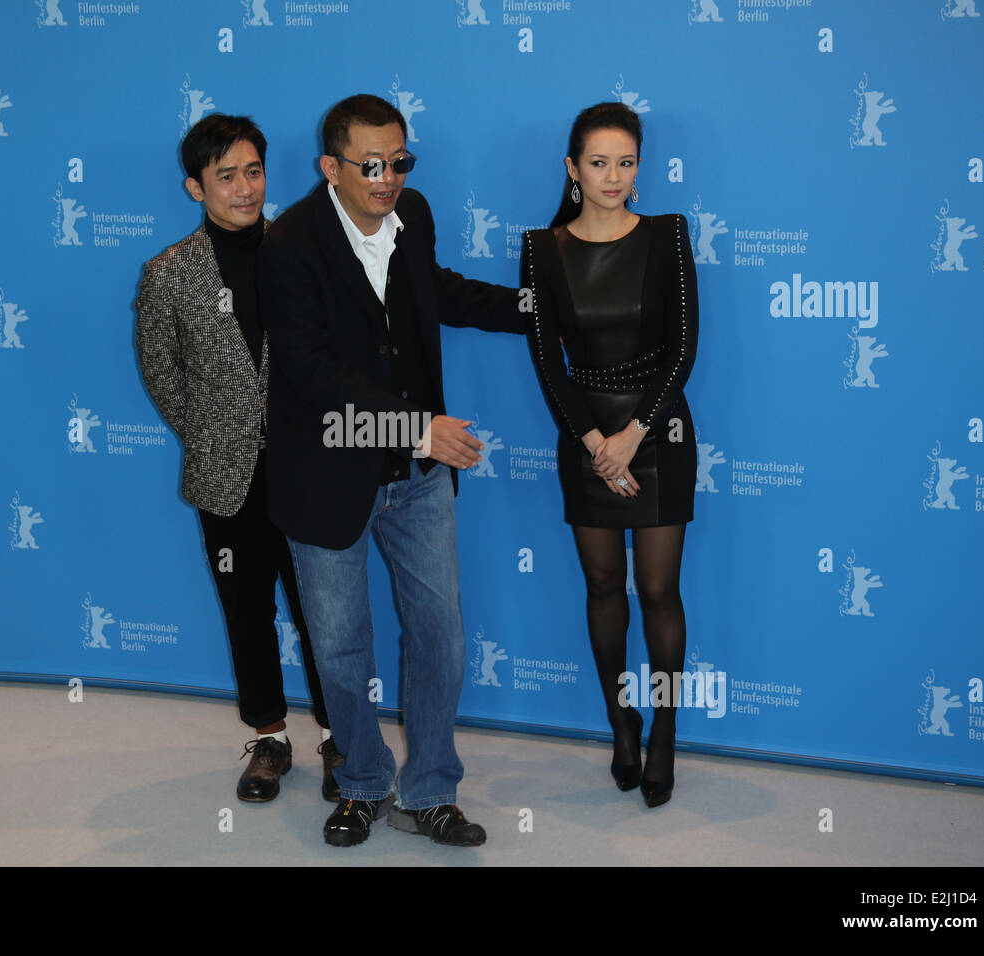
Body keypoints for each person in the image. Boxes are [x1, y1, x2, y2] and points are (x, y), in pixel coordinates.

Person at [259, 94, 524, 847]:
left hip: (417, 477)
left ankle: (431, 790)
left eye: (400, 162)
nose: (388, 178)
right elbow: (311, 371)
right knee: (341, 647)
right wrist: (417, 426)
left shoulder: (416, 217)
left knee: (440, 634)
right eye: (371, 165)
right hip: (328, 474)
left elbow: (432, 290)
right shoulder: (290, 244)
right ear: (330, 167)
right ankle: (365, 783)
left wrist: (535, 306)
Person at [134, 114, 340, 805]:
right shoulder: (168, 274)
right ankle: (270, 738)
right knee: (246, 609)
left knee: (326, 614)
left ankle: (344, 738)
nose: (245, 188)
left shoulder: (305, 251)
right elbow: (161, 369)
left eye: (254, 171)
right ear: (196, 187)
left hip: (309, 471)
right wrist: (214, 433)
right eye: (227, 176)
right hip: (227, 479)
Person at [522, 102, 699, 808]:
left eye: (626, 162)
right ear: (572, 169)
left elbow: (683, 348)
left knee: (658, 591)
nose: (614, 176)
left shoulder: (666, 236)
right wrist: (597, 444)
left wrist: (633, 436)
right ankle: (618, 721)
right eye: (599, 162)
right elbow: (546, 360)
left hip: (659, 435)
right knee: (603, 589)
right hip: (585, 436)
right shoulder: (543, 249)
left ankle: (663, 729)